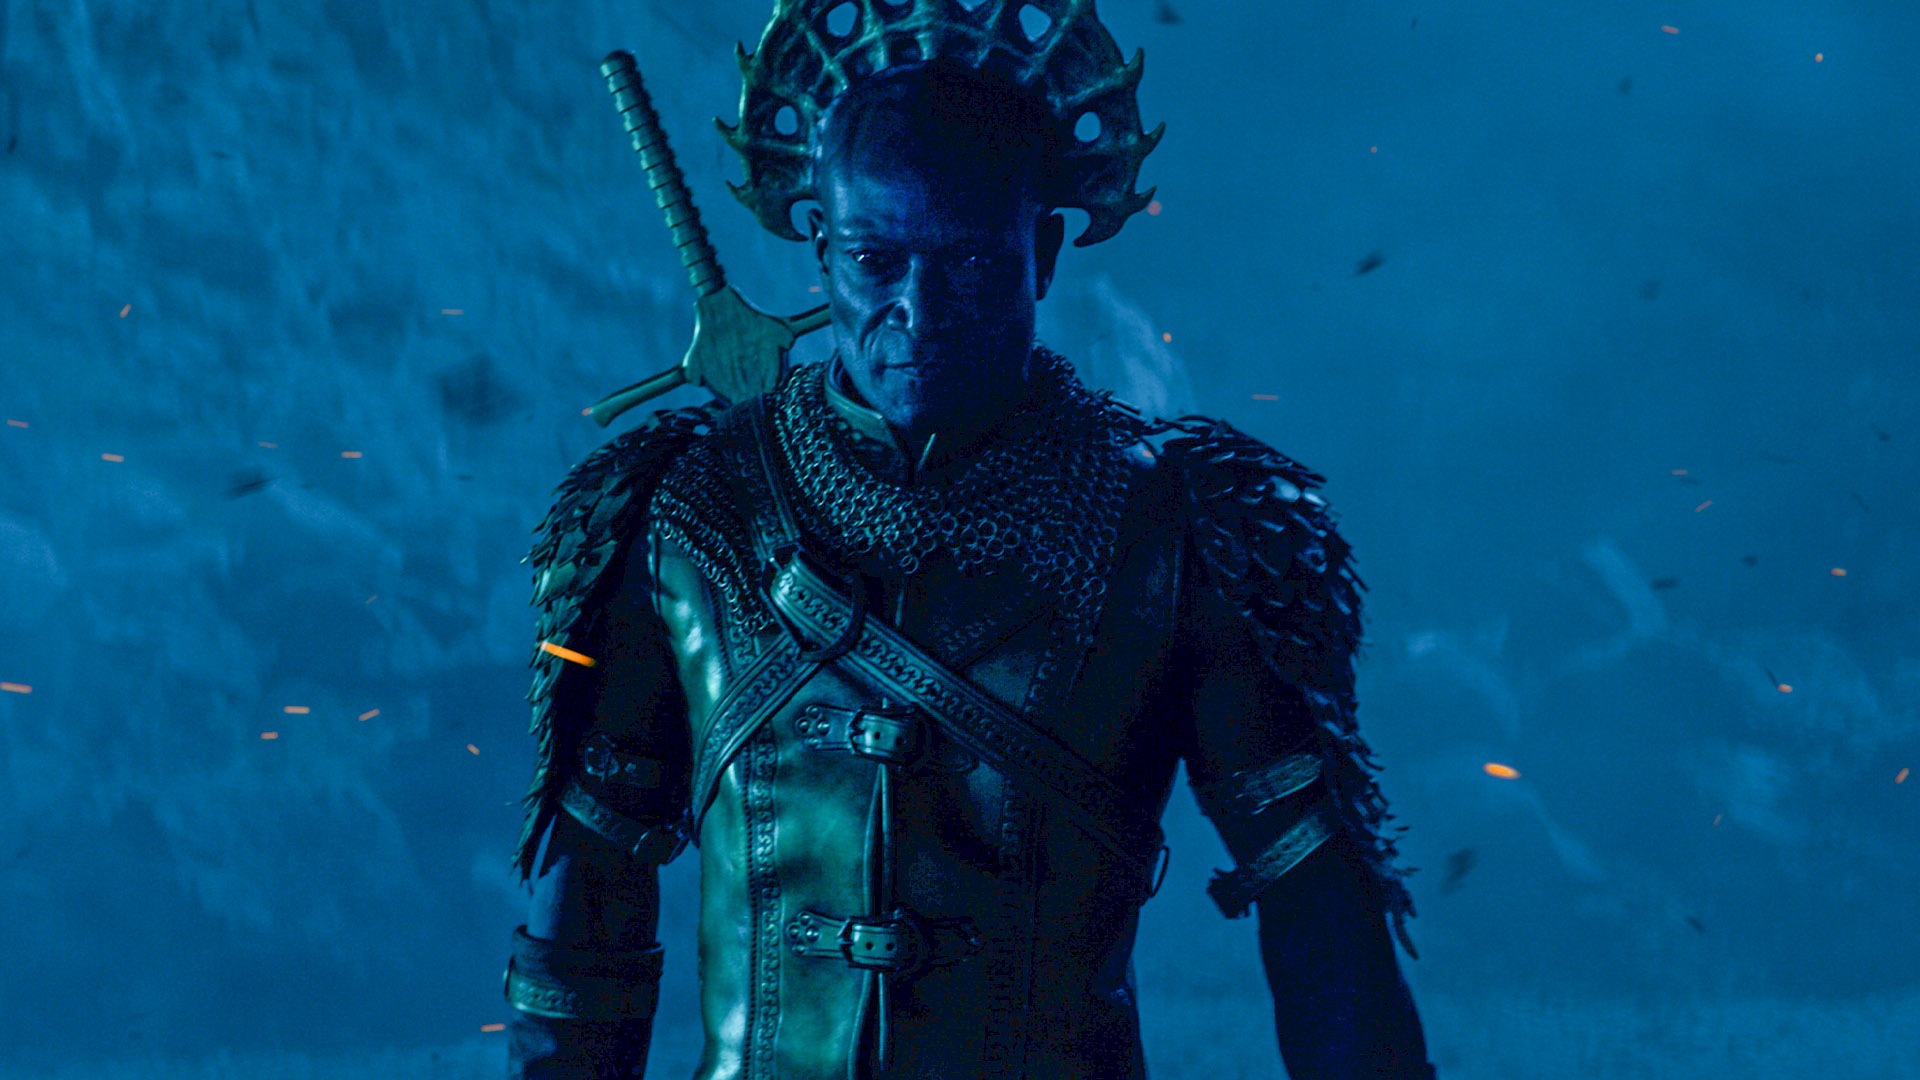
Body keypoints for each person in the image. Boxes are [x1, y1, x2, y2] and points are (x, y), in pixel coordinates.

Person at [503, 2, 1435, 1076]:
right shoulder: (683, 513)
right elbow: (585, 917)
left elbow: (1319, 911)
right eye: (876, 259)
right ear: (820, 248)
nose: (920, 308)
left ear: (1042, 254)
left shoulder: (1179, 533)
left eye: (971, 264)